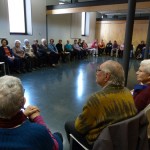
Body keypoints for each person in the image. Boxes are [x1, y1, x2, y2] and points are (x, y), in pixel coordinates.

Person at [65, 60, 137, 149]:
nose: (96, 73)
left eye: (98, 70)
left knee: (69, 125)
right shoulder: (127, 91)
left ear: (106, 76)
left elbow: (80, 127)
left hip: (102, 143)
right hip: (120, 138)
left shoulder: (96, 99)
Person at [0, 75, 63, 150]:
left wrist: (23, 115)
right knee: (58, 136)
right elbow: (56, 147)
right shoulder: (37, 132)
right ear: (23, 101)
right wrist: (38, 118)